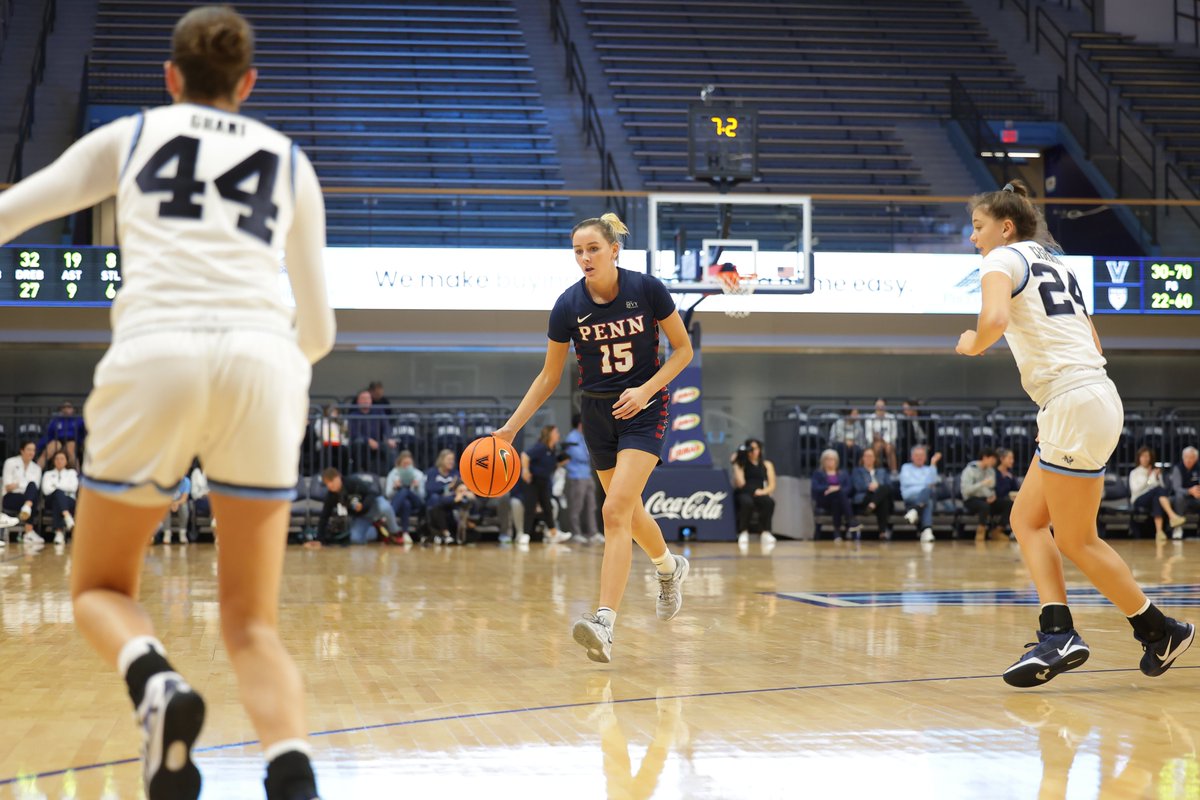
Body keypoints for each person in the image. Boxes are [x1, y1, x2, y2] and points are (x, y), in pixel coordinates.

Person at [0, 7, 336, 797]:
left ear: (170, 77)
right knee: (252, 624)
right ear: (248, 84)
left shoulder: (134, 135)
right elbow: (318, 330)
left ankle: (154, 681)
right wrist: (271, 366)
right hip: (264, 365)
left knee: (99, 590)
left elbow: (14, 213)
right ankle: (291, 773)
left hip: (154, 357)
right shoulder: (290, 161)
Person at [956, 179, 1192, 688]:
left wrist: (972, 344)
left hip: (1071, 401)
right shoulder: (1055, 261)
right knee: (1027, 519)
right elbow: (1092, 335)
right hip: (1094, 394)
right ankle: (1121, 629)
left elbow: (994, 319)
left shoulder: (1001, 261)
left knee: (1077, 539)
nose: (973, 238)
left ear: (1005, 226)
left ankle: (1137, 630)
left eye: (978, 228)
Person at [494, 212, 693, 664]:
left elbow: (683, 350)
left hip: (644, 407)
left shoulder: (647, 290)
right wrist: (511, 427)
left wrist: (646, 390)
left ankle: (604, 622)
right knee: (628, 512)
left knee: (613, 509)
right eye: (578, 251)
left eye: (593, 249)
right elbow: (548, 376)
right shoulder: (567, 305)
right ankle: (668, 568)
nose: (584, 257)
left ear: (614, 250)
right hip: (597, 413)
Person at [318, 468, 402, 545]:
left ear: (339, 477)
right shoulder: (331, 496)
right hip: (361, 516)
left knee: (386, 507)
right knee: (356, 539)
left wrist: (363, 505)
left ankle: (395, 532)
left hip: (374, 505)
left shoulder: (352, 481)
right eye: (327, 483)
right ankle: (376, 531)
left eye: (332, 481)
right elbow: (324, 516)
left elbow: (371, 493)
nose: (330, 485)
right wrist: (319, 540)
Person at [523, 425, 572, 544]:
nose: (558, 434)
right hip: (534, 482)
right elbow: (525, 455)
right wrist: (525, 470)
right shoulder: (541, 447)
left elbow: (551, 465)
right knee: (530, 508)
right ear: (549, 434)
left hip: (545, 483)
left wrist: (562, 462)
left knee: (548, 508)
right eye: (556, 432)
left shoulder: (552, 450)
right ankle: (524, 535)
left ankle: (553, 533)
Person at [1129, 447, 1186, 542]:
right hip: (1138, 498)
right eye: (1143, 456)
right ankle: (1172, 516)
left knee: (1157, 498)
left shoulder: (1154, 471)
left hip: (1153, 497)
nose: (1145, 458)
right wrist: (1148, 478)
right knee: (1157, 491)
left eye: (1147, 456)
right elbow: (1135, 490)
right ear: (1139, 458)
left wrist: (1157, 477)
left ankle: (1159, 532)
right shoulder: (1134, 472)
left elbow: (1162, 488)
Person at [563, 412, 601, 545]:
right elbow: (583, 456)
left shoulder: (584, 437)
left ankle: (593, 533)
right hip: (577, 476)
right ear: (580, 424)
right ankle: (576, 533)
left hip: (587, 475)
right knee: (576, 507)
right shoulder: (571, 439)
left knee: (592, 506)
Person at [732, 439, 778, 547]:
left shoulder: (767, 464)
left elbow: (772, 485)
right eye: (751, 449)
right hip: (745, 491)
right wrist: (736, 462)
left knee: (769, 502)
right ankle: (743, 531)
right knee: (746, 502)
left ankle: (765, 532)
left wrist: (763, 492)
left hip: (760, 491)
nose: (753, 451)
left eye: (756, 448)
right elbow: (740, 483)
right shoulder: (741, 464)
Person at [961, 448, 1010, 542]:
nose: (994, 462)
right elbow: (966, 491)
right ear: (984, 457)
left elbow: (992, 488)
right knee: (984, 506)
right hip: (971, 499)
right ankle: (981, 532)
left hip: (987, 499)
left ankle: (998, 530)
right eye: (992, 459)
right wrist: (982, 484)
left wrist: (993, 496)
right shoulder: (970, 470)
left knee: (1008, 504)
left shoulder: (991, 471)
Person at [811, 449, 859, 541]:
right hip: (824, 499)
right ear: (823, 461)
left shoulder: (843, 473)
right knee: (839, 493)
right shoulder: (818, 473)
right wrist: (828, 488)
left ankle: (837, 532)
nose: (830, 461)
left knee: (837, 499)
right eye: (827, 459)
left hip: (838, 500)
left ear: (836, 461)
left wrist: (836, 489)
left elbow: (849, 487)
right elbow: (815, 487)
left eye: (832, 459)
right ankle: (851, 521)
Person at [899, 445, 942, 543]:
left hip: (924, 498)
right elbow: (907, 483)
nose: (919, 457)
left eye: (922, 455)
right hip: (910, 496)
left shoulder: (929, 469)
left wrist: (933, 463)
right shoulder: (906, 467)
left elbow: (934, 481)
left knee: (928, 500)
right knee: (927, 493)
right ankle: (926, 530)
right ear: (912, 457)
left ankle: (915, 512)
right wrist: (925, 485)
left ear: (926, 457)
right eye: (917, 455)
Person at [2, 440, 42, 541]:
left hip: (27, 498)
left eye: (33, 450)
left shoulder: (37, 468)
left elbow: (34, 487)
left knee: (32, 489)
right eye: (29, 449)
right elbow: (8, 486)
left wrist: (17, 484)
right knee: (32, 498)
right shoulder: (10, 462)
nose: (31, 452)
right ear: (22, 450)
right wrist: (22, 484)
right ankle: (29, 531)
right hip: (11, 497)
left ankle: (27, 507)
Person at [852, 447, 895, 540]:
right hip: (866, 497)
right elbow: (857, 486)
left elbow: (890, 487)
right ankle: (882, 532)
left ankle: (872, 505)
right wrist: (869, 486)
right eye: (866, 456)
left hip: (878, 500)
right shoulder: (857, 471)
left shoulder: (882, 471)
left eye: (871, 456)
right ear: (862, 458)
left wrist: (878, 485)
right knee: (883, 498)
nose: (869, 458)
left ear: (875, 458)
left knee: (884, 492)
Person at [347, 390, 394, 474]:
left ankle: (391, 474)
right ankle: (360, 472)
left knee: (390, 447)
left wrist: (389, 438)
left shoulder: (378, 412)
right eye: (363, 398)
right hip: (362, 443)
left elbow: (386, 426)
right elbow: (353, 433)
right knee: (358, 444)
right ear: (358, 401)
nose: (366, 400)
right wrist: (368, 440)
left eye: (368, 398)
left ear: (371, 400)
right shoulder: (353, 415)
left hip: (377, 442)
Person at [384, 451, 424, 544]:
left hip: (416, 502)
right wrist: (395, 487)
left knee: (405, 491)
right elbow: (388, 494)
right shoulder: (393, 474)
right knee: (406, 503)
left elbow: (422, 497)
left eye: (409, 464)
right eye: (404, 464)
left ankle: (390, 514)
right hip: (401, 504)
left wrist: (417, 488)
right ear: (399, 464)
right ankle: (405, 533)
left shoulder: (419, 474)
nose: (406, 466)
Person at [41, 449, 79, 545]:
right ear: (54, 461)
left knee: (58, 498)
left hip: (69, 501)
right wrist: (62, 488)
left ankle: (59, 533)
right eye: (57, 459)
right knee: (58, 494)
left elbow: (73, 488)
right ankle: (67, 517)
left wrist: (55, 486)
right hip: (50, 499)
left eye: (62, 459)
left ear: (66, 461)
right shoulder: (48, 474)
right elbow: (46, 490)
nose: (59, 461)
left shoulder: (72, 473)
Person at [37, 400, 86, 468]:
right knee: (48, 451)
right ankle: (35, 472)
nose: (66, 409)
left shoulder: (79, 420)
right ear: (61, 410)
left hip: (72, 441)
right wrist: (38, 447)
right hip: (58, 441)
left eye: (69, 407)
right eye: (64, 407)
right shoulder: (56, 420)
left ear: (73, 409)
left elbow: (85, 432)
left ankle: (77, 475)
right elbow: (49, 434)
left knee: (70, 448)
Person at [1170, 446, 1200, 540]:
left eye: (1191, 457)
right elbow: (1176, 488)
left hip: (1196, 497)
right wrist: (1189, 491)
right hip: (1181, 498)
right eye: (1186, 457)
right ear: (1183, 458)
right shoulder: (1177, 468)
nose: (1188, 460)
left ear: (1196, 458)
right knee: (1179, 497)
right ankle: (1178, 527)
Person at [863, 398, 899, 473]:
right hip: (874, 443)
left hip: (888, 442)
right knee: (877, 446)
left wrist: (883, 441)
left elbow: (894, 435)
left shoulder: (891, 418)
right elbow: (868, 436)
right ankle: (875, 471)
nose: (880, 408)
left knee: (889, 448)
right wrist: (876, 439)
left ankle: (894, 472)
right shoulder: (869, 418)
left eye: (882, 406)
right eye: (878, 406)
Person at [314, 403, 349, 474]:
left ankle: (342, 474)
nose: (333, 413)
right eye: (331, 411)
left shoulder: (342, 421)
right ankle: (324, 474)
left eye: (335, 411)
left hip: (339, 444)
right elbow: (319, 433)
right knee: (326, 452)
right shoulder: (320, 421)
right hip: (325, 444)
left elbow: (344, 434)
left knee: (344, 451)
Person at [158, 475, 192, 545]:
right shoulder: (167, 480)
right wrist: (171, 504)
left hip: (179, 502)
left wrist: (176, 503)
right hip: (167, 501)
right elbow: (164, 497)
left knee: (184, 506)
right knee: (165, 507)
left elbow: (184, 498)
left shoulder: (186, 481)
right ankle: (167, 534)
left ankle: (182, 533)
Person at [994, 447, 1020, 535]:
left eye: (1012, 458)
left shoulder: (1011, 473)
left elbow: (1016, 489)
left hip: (1009, 499)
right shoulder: (994, 473)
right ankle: (998, 530)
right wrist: (1005, 479)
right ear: (1002, 459)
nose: (1012, 461)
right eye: (1010, 458)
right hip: (996, 500)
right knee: (1009, 503)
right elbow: (998, 492)